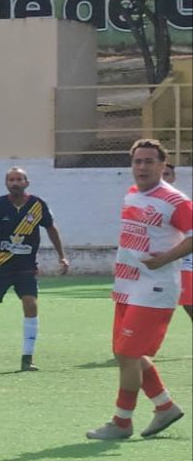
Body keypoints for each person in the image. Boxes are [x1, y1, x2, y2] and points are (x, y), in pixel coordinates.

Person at [86, 138, 191, 440]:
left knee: (127, 353)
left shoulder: (176, 201)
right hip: (128, 284)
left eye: (149, 161)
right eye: (137, 161)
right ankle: (164, 406)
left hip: (156, 288)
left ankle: (121, 423)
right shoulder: (131, 194)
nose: (142, 167)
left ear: (162, 165)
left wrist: (165, 260)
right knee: (125, 354)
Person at [0, 167, 69, 371]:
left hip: (25, 267)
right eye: (11, 180)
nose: (15, 183)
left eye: (19, 179)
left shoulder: (37, 205)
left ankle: (27, 358)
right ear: (6, 184)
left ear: (27, 182)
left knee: (30, 303)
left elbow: (52, 228)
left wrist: (62, 255)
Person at [163, 160, 193, 319]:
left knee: (189, 304)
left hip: (184, 262)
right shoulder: (144, 201)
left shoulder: (180, 202)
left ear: (174, 178)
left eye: (167, 174)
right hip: (157, 264)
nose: (163, 178)